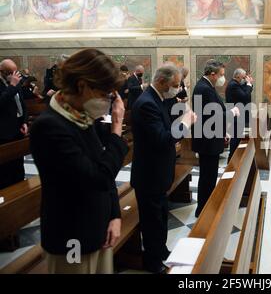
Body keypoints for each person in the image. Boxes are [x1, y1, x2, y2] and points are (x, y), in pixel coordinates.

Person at [29, 49, 128, 274]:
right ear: (83, 86)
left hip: (100, 229)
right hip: (72, 238)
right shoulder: (50, 127)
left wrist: (114, 214)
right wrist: (116, 132)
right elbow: (98, 177)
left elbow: (103, 166)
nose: (107, 101)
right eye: (104, 93)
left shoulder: (80, 115)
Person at [131, 65, 196, 274]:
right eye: (174, 85)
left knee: (160, 216)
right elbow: (162, 138)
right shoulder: (146, 104)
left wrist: (177, 104)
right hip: (149, 175)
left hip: (159, 172)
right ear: (161, 82)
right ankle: (153, 261)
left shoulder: (158, 98)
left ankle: (161, 250)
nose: (177, 89)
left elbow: (166, 120)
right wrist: (185, 123)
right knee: (152, 222)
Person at [192, 60, 240, 218]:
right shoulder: (203, 88)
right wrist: (231, 113)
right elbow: (213, 116)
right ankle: (203, 210)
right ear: (212, 74)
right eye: (221, 75)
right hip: (207, 141)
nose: (223, 78)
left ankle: (206, 208)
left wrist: (223, 133)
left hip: (211, 137)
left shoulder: (207, 87)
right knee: (207, 177)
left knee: (210, 176)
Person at [0, 59, 27, 190]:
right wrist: (11, 86)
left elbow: (22, 103)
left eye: (15, 71)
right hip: (4, 133)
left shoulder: (16, 82)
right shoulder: (9, 83)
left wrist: (24, 121)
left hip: (18, 128)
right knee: (6, 167)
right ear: (2, 72)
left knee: (18, 163)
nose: (14, 74)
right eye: (10, 72)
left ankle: (20, 187)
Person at [225, 68, 254, 162]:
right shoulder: (233, 85)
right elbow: (245, 96)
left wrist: (249, 83)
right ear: (238, 76)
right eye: (244, 76)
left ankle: (234, 159)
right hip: (235, 116)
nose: (245, 78)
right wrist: (249, 84)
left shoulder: (236, 84)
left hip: (238, 115)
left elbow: (245, 91)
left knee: (237, 137)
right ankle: (232, 160)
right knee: (235, 138)